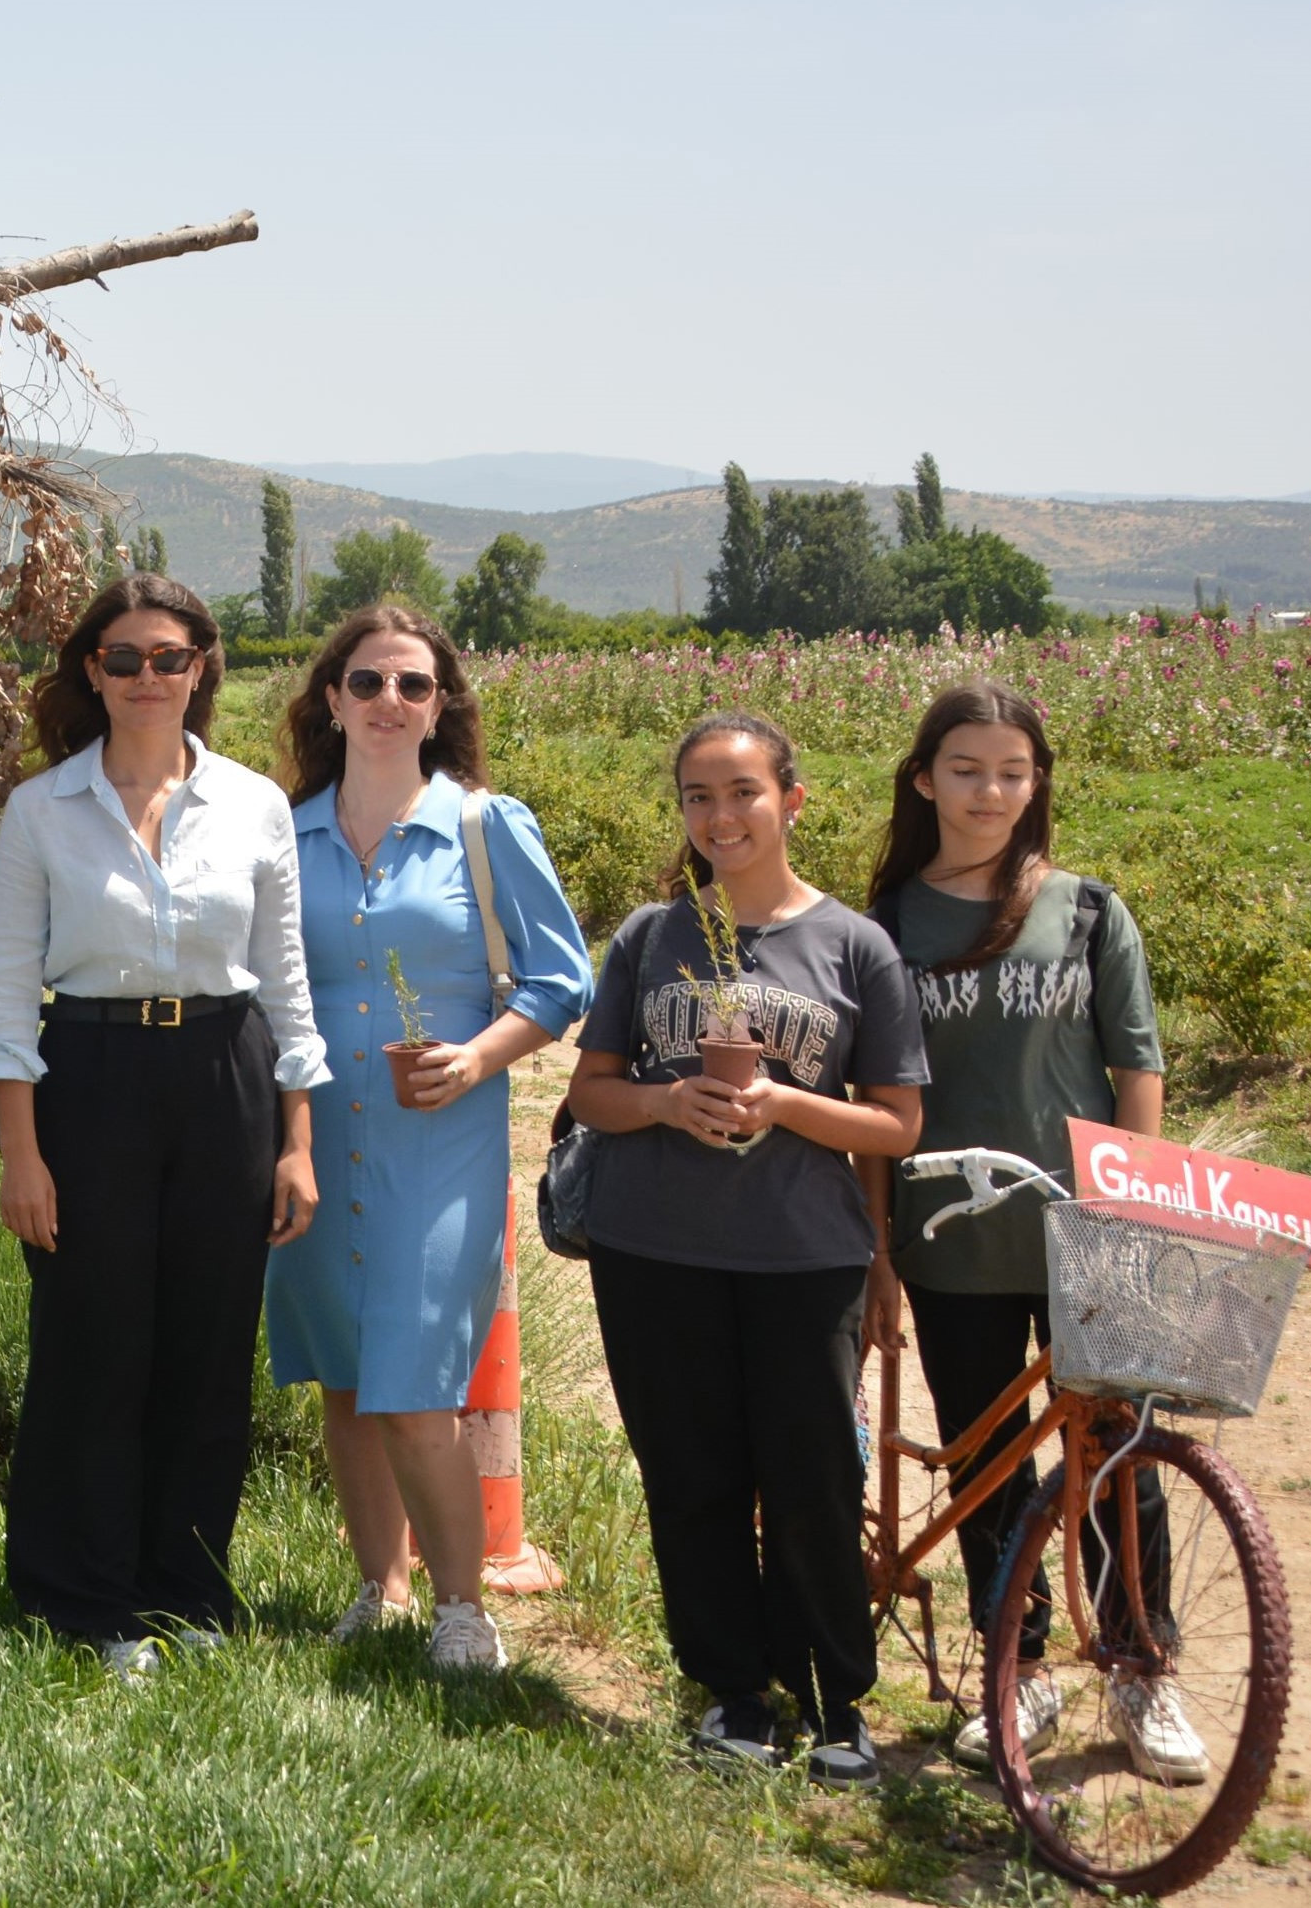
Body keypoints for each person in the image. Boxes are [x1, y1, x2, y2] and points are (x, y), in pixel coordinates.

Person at [0, 572, 325, 1679]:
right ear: (92, 671)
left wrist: (297, 1138)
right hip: (90, 1075)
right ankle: (84, 1597)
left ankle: (186, 1587)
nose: (145, 678)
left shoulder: (256, 805)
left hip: (226, 1073)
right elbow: (3, 994)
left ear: (201, 668)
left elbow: (285, 983)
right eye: (122, 659)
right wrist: (21, 1152)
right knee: (92, 1341)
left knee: (209, 1345)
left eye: (168, 657)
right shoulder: (40, 809)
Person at [563, 712, 924, 1786]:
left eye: (742, 793)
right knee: (692, 1474)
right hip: (653, 1248)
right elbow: (590, 1091)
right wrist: (670, 1102)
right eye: (697, 797)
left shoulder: (856, 946)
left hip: (803, 1255)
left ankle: (831, 1698)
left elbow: (897, 1124)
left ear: (791, 801)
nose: (719, 817)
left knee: (811, 1477)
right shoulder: (648, 937)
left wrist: (788, 1108)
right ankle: (731, 1693)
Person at [864, 681, 1197, 1782]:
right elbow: (875, 1098)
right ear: (925, 779)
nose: (990, 790)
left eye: (1012, 771)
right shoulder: (888, 923)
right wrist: (878, 1247)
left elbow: (1134, 1065)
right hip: (949, 1234)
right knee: (988, 1465)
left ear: (1036, 781)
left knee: (1119, 1451)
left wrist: (1130, 1202)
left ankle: (1140, 1666)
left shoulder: (1089, 911)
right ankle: (1020, 1666)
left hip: (1084, 1231)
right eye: (966, 769)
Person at [266, 605, 591, 1672]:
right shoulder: (284, 830)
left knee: (415, 1382)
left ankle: (464, 1610)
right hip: (312, 1139)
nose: (388, 703)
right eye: (366, 683)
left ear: (441, 704)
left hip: (436, 1145)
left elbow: (559, 978)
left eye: (412, 685)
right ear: (330, 700)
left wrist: (479, 1056)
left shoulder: (486, 826)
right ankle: (380, 1588)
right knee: (348, 1380)